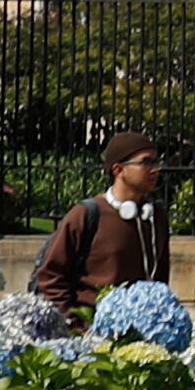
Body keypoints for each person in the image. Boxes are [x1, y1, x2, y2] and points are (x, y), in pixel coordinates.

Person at [35, 131, 171, 315]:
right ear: (118, 170)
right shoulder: (86, 215)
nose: (155, 169)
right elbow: (50, 278)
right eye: (146, 162)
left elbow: (161, 280)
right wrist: (75, 324)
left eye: (156, 162)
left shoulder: (157, 218)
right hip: (91, 333)